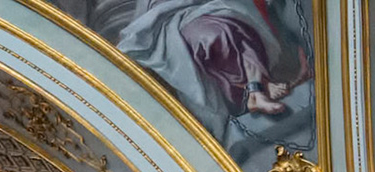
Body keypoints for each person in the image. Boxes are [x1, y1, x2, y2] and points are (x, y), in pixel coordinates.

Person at [115, 0, 312, 141]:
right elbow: (151, 9)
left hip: (208, 9)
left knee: (236, 24)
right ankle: (255, 91)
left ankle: (257, 90)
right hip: (170, 20)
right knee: (213, 36)